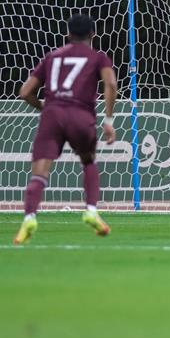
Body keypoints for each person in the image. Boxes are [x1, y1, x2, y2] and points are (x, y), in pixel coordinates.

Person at [13, 14, 118, 245]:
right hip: (81, 115)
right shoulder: (98, 57)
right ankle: (91, 210)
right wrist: (108, 120)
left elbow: (24, 91)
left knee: (39, 173)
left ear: (68, 34)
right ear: (93, 35)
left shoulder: (52, 57)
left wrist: (44, 107)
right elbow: (110, 83)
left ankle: (29, 218)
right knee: (88, 160)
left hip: (52, 114)